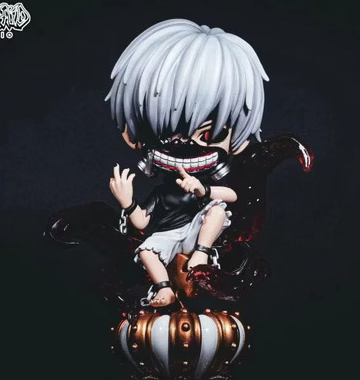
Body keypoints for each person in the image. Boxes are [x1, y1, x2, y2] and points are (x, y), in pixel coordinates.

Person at [106, 19, 269, 307]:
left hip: (198, 231)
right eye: (164, 134)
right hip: (167, 235)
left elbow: (231, 196)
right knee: (146, 251)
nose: (184, 146)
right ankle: (164, 288)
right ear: (133, 136)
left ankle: (202, 254)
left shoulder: (207, 182)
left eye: (208, 135)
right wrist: (127, 202)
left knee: (216, 210)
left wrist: (203, 190)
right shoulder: (161, 193)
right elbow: (141, 222)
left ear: (238, 142)